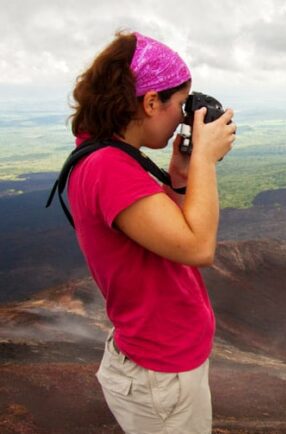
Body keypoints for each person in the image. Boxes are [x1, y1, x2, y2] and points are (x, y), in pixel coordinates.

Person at [67, 30, 235, 433]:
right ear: (149, 101)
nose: (183, 117)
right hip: (161, 378)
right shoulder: (108, 167)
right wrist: (205, 163)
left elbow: (162, 232)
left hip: (161, 369)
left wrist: (178, 176)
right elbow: (197, 246)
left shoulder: (108, 155)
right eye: (180, 105)